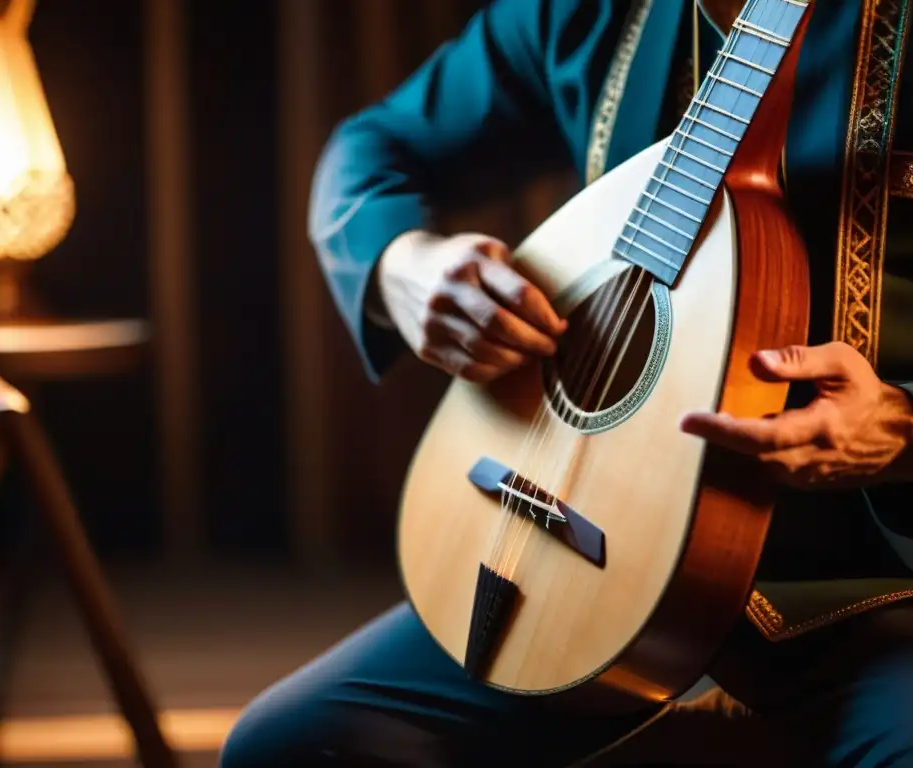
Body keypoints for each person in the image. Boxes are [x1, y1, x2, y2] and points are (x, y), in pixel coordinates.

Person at [222, 0, 913, 764]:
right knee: (286, 748)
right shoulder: (588, 11)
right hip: (586, 569)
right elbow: (371, 146)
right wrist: (401, 266)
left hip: (874, 596)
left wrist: (902, 430)